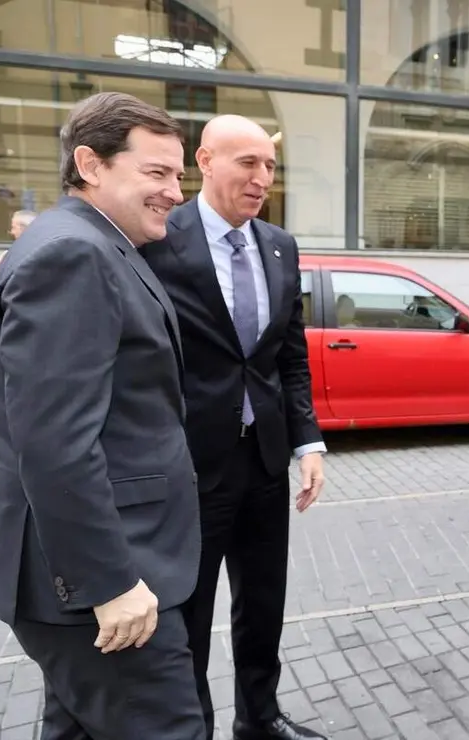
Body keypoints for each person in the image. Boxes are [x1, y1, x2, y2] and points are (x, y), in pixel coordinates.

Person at [0, 92, 205, 738]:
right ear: (90, 164)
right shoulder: (73, 254)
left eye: (179, 176)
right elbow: (54, 443)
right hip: (100, 586)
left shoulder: (91, 243)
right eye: (157, 172)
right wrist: (108, 584)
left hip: (91, 578)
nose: (175, 193)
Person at [142, 114, 327, 740]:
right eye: (248, 163)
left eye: (269, 165)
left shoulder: (280, 245)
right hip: (191, 467)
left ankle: (260, 719)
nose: (262, 178)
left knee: (264, 604)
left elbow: (288, 356)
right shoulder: (157, 237)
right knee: (188, 617)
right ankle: (193, 727)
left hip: (265, 462)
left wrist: (307, 441)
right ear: (204, 161)